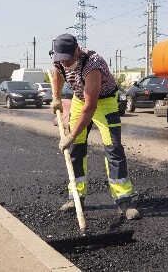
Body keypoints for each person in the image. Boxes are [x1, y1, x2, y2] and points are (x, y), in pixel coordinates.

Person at [50, 34, 140, 220]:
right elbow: (57, 73)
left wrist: (72, 135)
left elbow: (90, 107)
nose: (65, 63)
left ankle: (124, 199)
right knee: (76, 150)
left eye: (68, 59)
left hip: (104, 102)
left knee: (113, 148)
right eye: (61, 59)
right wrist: (56, 97)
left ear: (77, 50)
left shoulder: (92, 63)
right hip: (79, 99)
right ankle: (76, 197)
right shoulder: (59, 59)